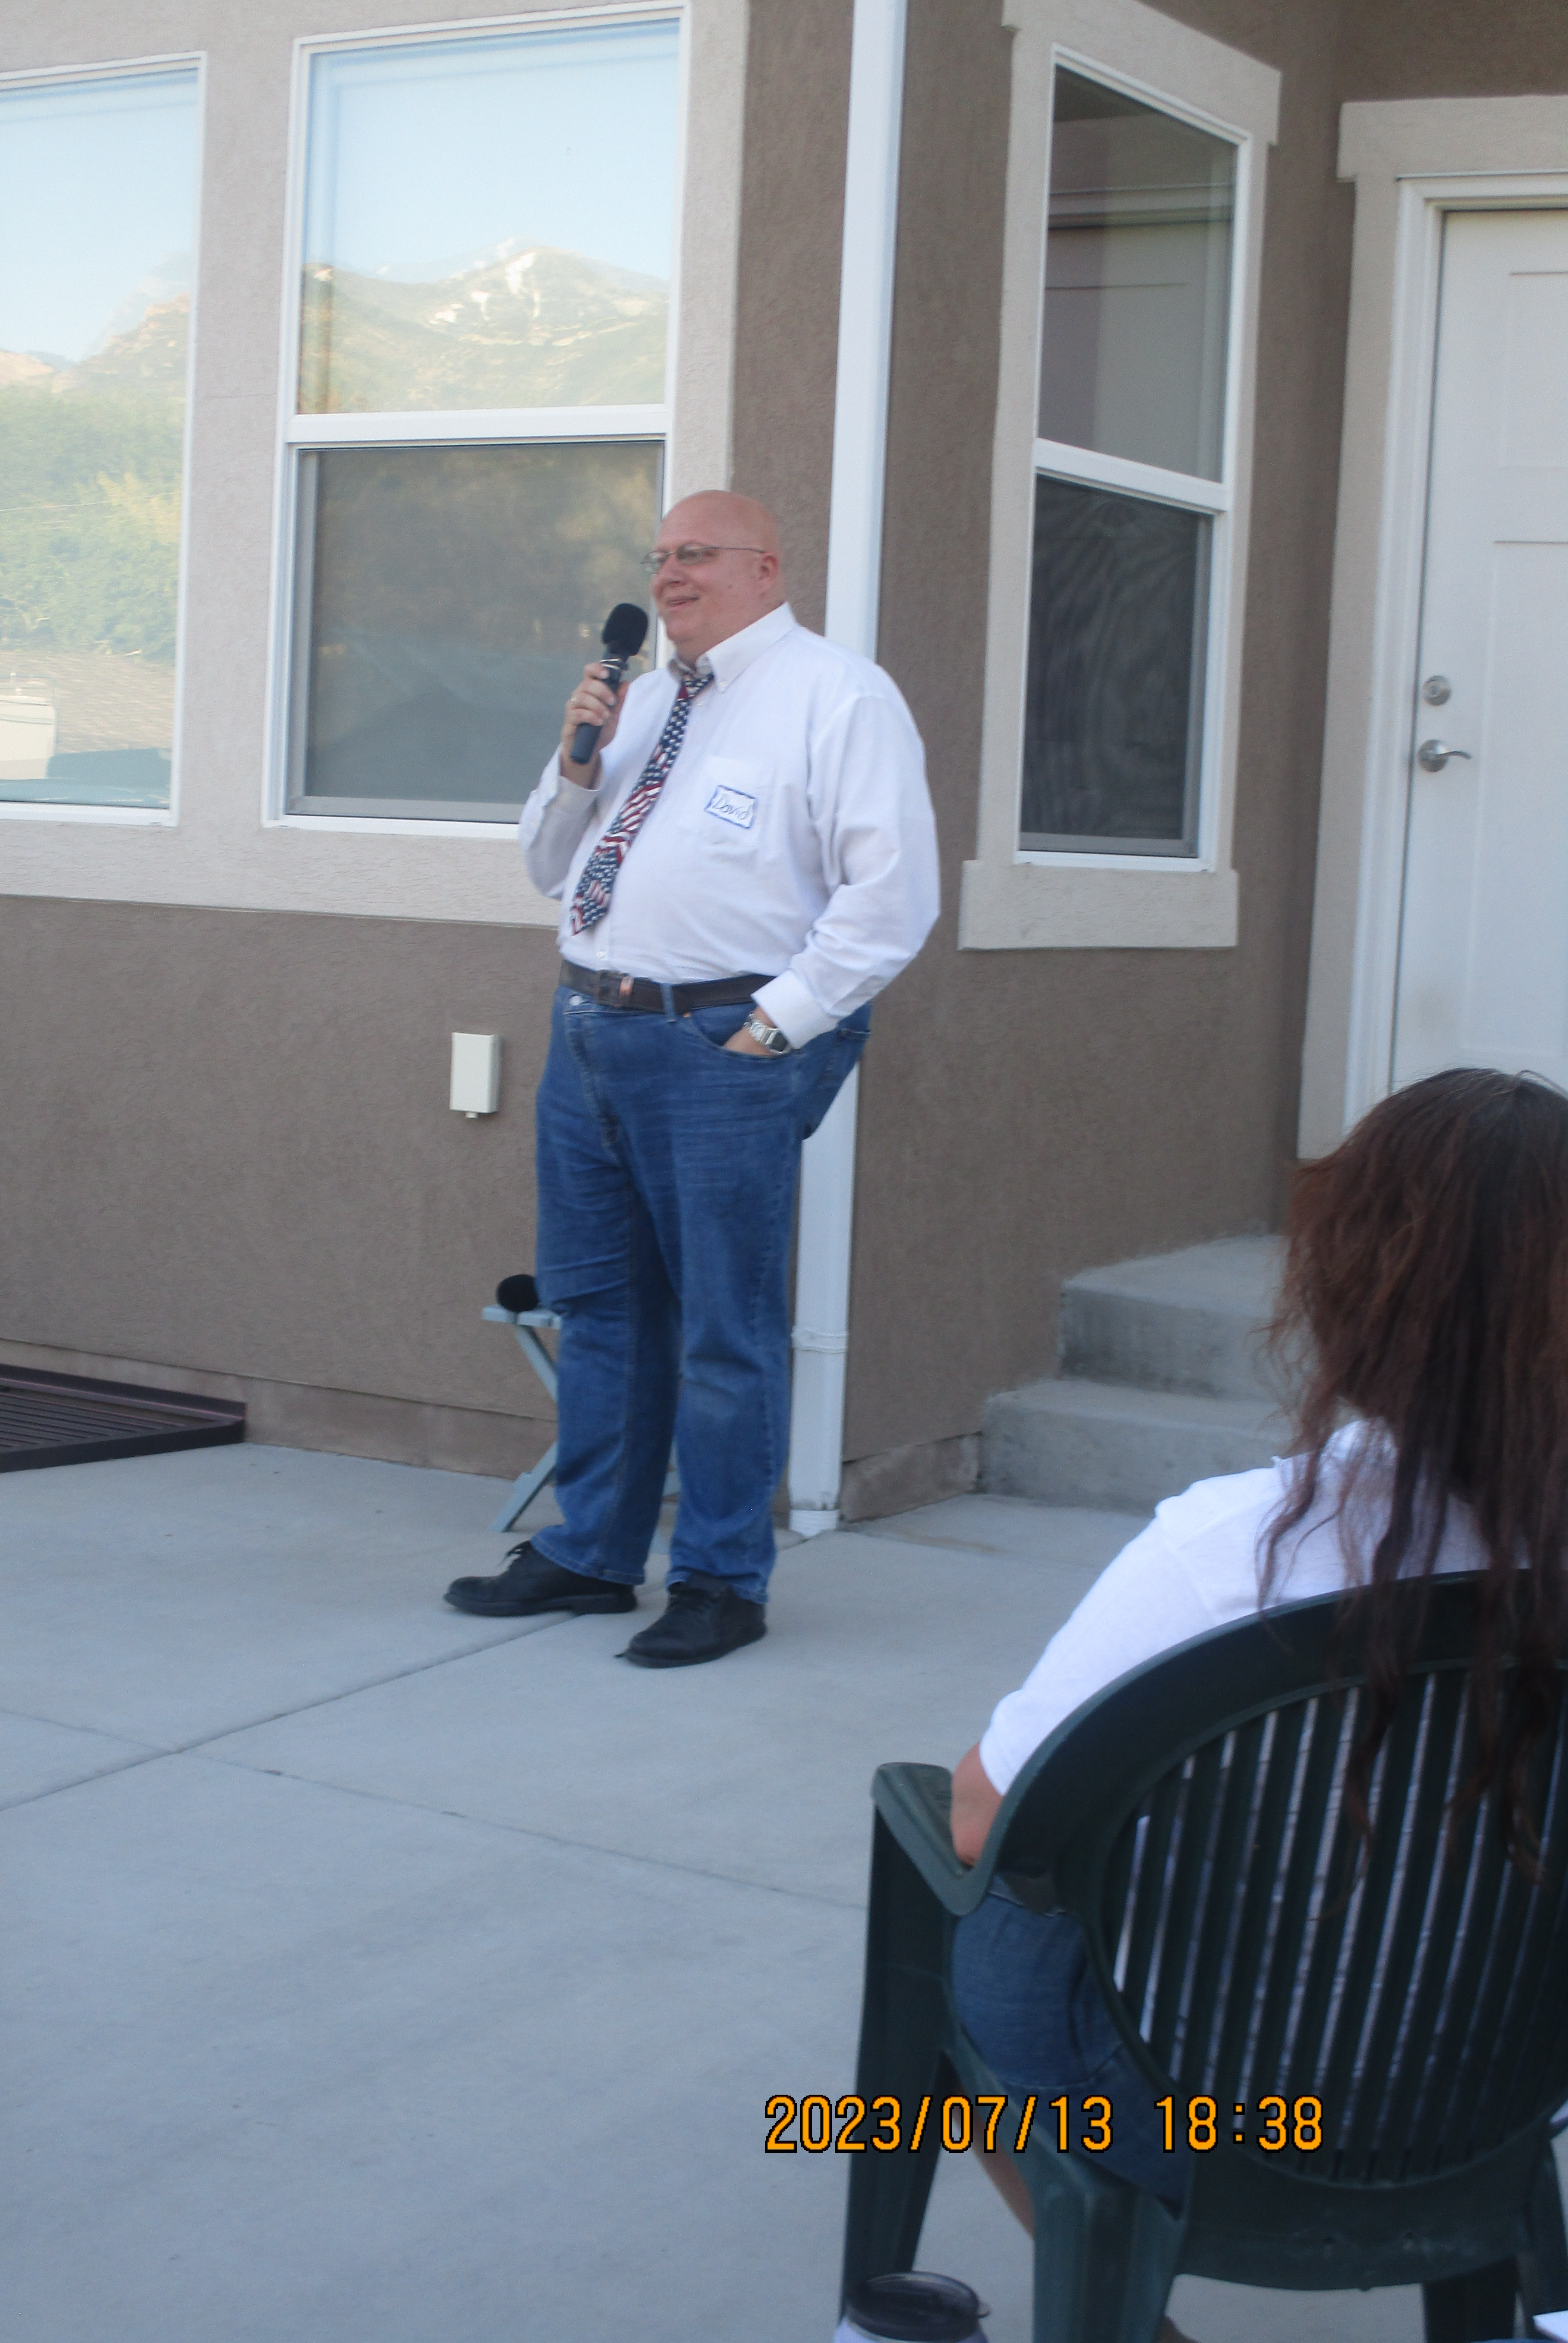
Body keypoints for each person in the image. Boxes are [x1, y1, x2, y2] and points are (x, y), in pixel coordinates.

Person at [946, 1067, 1568, 2287]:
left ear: (1345, 1289)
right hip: (1511, 2100)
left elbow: (982, 1824)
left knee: (982, 1927)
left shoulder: (1225, 1555)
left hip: (1212, 2122)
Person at [445, 489, 939, 1665]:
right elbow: (544, 864)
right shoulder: (640, 701)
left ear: (764, 569)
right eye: (660, 556)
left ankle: (721, 1581)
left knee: (724, 1325)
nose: (670, 576)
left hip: (722, 1048)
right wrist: (578, 761)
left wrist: (775, 1029)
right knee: (604, 1309)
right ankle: (592, 1555)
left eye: (697, 555)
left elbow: (894, 898)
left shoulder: (839, 697)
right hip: (592, 1034)